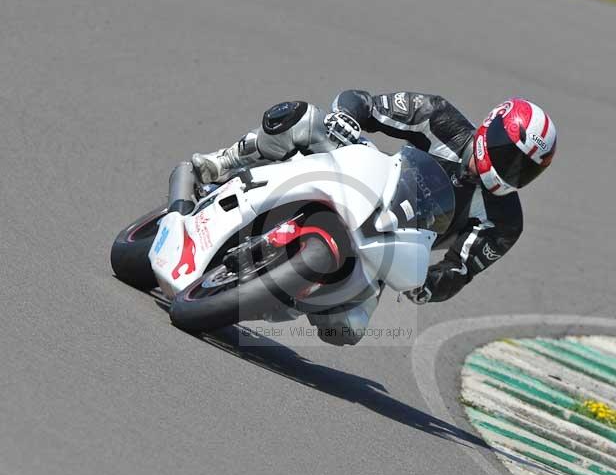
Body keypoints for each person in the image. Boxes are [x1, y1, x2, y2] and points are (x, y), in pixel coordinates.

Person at [168, 92, 557, 343]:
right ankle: (222, 163)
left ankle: (279, 290)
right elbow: (366, 104)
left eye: (525, 169)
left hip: (388, 245)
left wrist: (427, 287)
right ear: (491, 129)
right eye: (510, 155)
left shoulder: (505, 221)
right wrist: (346, 117)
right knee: (302, 119)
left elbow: (460, 269)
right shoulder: (439, 117)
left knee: (345, 330)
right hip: (369, 181)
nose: (512, 171)